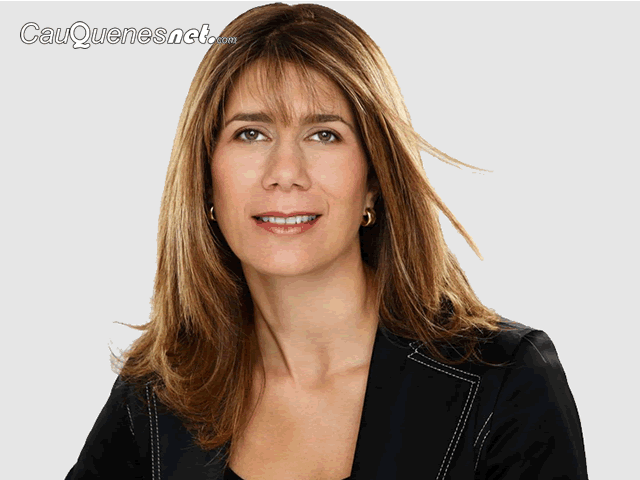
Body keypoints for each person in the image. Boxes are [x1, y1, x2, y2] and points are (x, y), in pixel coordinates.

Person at [65, 3, 588, 479]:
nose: (285, 173)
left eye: (324, 135)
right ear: (205, 176)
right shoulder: (154, 397)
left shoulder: (506, 381)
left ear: (374, 179)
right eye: (251, 133)